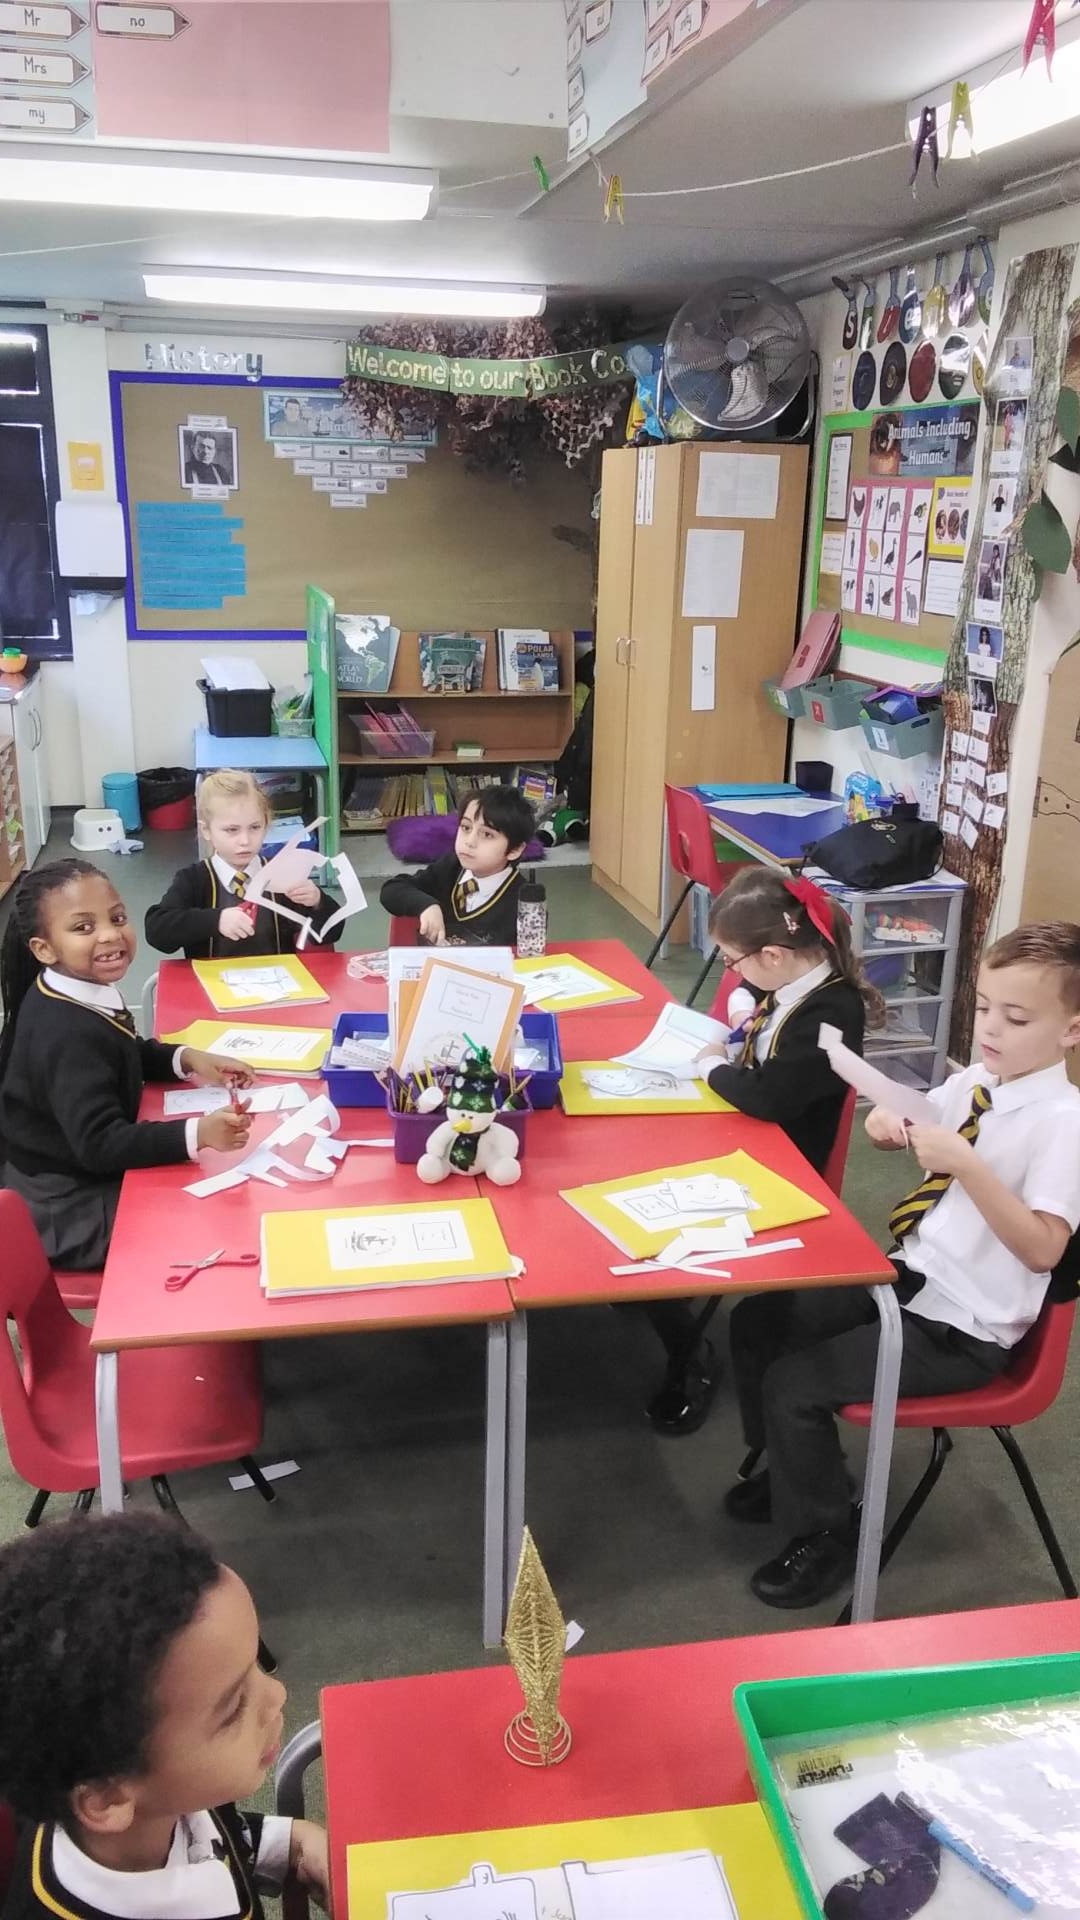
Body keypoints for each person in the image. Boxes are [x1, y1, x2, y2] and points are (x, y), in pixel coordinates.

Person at [726, 921, 1080, 1610]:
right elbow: (911, 1124)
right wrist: (886, 1126)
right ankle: (797, 1471)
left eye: (1016, 1018)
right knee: (759, 1323)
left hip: (966, 1329)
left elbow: (1044, 1249)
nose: (990, 1028)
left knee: (796, 1384)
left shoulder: (1064, 1124)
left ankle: (825, 1534)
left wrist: (970, 1167)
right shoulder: (979, 1080)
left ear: (1071, 1030)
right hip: (909, 1281)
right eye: (984, 1007)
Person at [640, 868, 882, 1437]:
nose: (731, 972)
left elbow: (769, 1098)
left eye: (732, 961)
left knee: (648, 1194)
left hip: (783, 1166)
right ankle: (656, 1301)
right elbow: (763, 1017)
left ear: (773, 954)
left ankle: (685, 1347)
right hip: (754, 1140)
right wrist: (745, 1003)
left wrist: (711, 1065)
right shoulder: (795, 983)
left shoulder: (830, 1013)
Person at [0, 1511, 328, 1920]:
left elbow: (214, 1836)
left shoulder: (166, 1799)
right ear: (109, 1799)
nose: (277, 1695)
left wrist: (294, 1843)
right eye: (232, 1709)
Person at [0, 860, 252, 1269]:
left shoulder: (74, 989)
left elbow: (118, 1049)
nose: (109, 934)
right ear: (44, 948)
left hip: (74, 1175)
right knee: (210, 1223)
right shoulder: (65, 1032)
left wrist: (185, 1058)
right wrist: (198, 1133)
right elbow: (100, 1143)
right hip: (65, 1206)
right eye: (83, 927)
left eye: (117, 918)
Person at [146, 770, 342, 960]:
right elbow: (157, 932)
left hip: (277, 978)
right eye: (232, 830)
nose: (245, 841)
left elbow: (329, 934)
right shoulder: (193, 880)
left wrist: (318, 903)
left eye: (255, 827)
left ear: (266, 824)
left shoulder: (280, 874)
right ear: (206, 830)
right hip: (213, 980)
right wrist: (216, 920)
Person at [380, 786, 535, 946]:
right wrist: (427, 905)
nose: (469, 842)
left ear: (515, 850)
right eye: (466, 828)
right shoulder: (450, 867)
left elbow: (528, 957)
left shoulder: (527, 903)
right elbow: (391, 890)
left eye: (487, 834)